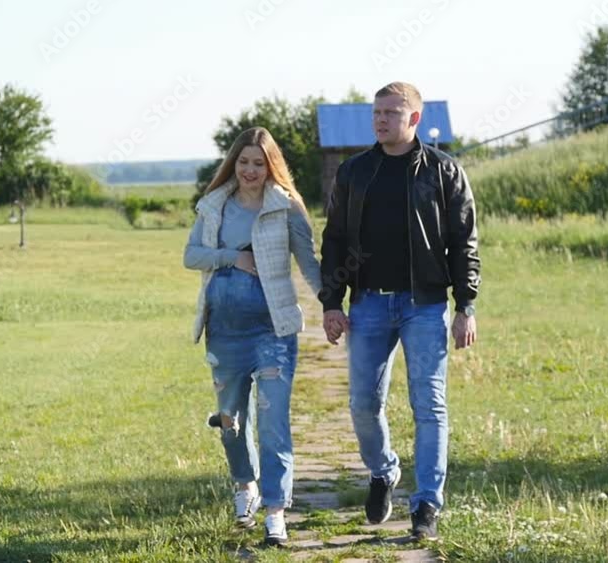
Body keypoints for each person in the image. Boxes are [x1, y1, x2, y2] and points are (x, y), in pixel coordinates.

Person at [317, 82, 481, 541]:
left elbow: (464, 241)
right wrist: (331, 302)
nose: (381, 119)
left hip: (425, 306)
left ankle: (426, 504)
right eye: (377, 112)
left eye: (391, 112)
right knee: (363, 404)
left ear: (414, 118)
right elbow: (334, 240)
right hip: (368, 304)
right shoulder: (354, 172)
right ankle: (383, 470)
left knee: (429, 406)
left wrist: (466, 305)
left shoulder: (444, 171)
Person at [184, 126, 322, 546]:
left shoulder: (286, 207)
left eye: (258, 163)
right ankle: (245, 485)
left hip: (272, 331)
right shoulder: (215, 205)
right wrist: (233, 258)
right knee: (230, 421)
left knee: (273, 421)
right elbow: (191, 256)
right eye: (243, 162)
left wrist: (333, 306)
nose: (249, 170)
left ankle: (276, 512)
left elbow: (309, 262)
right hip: (224, 332)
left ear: (270, 166)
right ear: (233, 164)